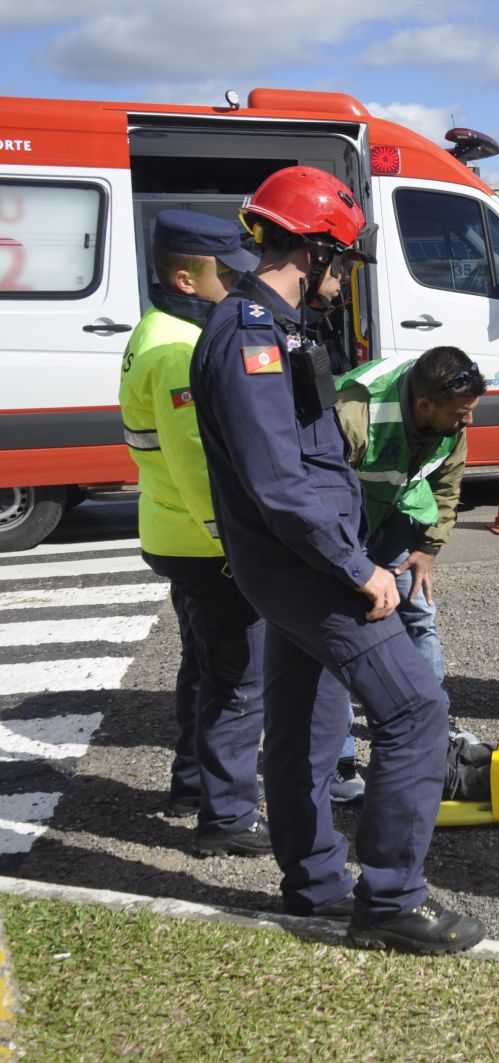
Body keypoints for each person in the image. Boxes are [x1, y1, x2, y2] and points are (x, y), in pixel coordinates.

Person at [189, 166, 482, 952]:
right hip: (308, 568)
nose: (343, 277)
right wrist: (355, 568)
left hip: (293, 566)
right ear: (314, 249)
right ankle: (389, 897)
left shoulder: (272, 326)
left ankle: (316, 881)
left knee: (304, 725)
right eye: (342, 260)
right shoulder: (250, 333)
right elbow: (280, 481)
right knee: (417, 709)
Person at [119, 210, 270, 855]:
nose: (234, 286)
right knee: (238, 680)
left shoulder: (149, 332)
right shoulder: (180, 350)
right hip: (203, 543)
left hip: (168, 532)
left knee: (203, 667)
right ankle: (229, 817)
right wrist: (233, 542)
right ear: (185, 277)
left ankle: (191, 786)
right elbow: (194, 464)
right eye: (223, 275)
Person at [329, 345, 488, 801]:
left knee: (417, 610)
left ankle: (434, 725)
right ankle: (337, 759)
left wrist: (428, 549)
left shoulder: (451, 414)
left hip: (398, 512)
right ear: (423, 407)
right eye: (461, 413)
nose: (469, 422)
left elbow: (447, 483)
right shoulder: (354, 414)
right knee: (344, 629)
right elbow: (320, 499)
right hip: (344, 520)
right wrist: (355, 568)